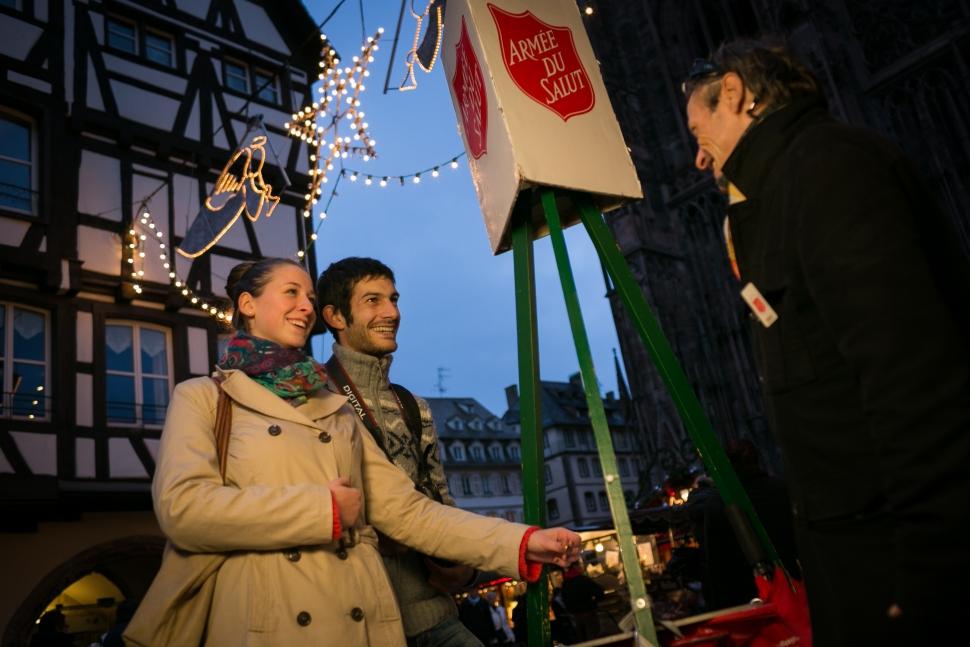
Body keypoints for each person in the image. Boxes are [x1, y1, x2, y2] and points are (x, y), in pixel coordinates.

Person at [683, 39, 970, 645]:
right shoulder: (773, 194)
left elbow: (911, 377)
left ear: (733, 93)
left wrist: (930, 575)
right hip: (856, 549)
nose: (696, 159)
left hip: (897, 559)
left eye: (696, 127)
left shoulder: (827, 168)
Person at [142, 257, 582, 646]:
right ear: (247, 304)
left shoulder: (331, 408)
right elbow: (183, 510)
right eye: (291, 293)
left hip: (363, 619)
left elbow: (409, 512)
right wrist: (323, 510)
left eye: (310, 297)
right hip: (265, 621)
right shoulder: (204, 397)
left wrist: (523, 541)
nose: (306, 306)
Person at [316, 256, 489, 647]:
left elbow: (442, 502)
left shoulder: (415, 407)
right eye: (373, 301)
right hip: (357, 627)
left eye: (394, 299)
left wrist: (464, 570)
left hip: (433, 615)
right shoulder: (312, 399)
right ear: (336, 317)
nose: (392, 312)